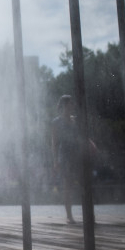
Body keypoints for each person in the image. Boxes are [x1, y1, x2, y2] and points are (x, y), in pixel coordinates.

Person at [51, 95, 82, 224]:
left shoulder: (75, 120)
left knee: (79, 184)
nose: (72, 106)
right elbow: (54, 143)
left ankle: (86, 213)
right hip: (64, 155)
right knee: (67, 185)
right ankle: (69, 216)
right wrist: (55, 161)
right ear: (63, 106)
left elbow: (80, 138)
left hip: (76, 154)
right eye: (70, 104)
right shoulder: (57, 122)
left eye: (72, 104)